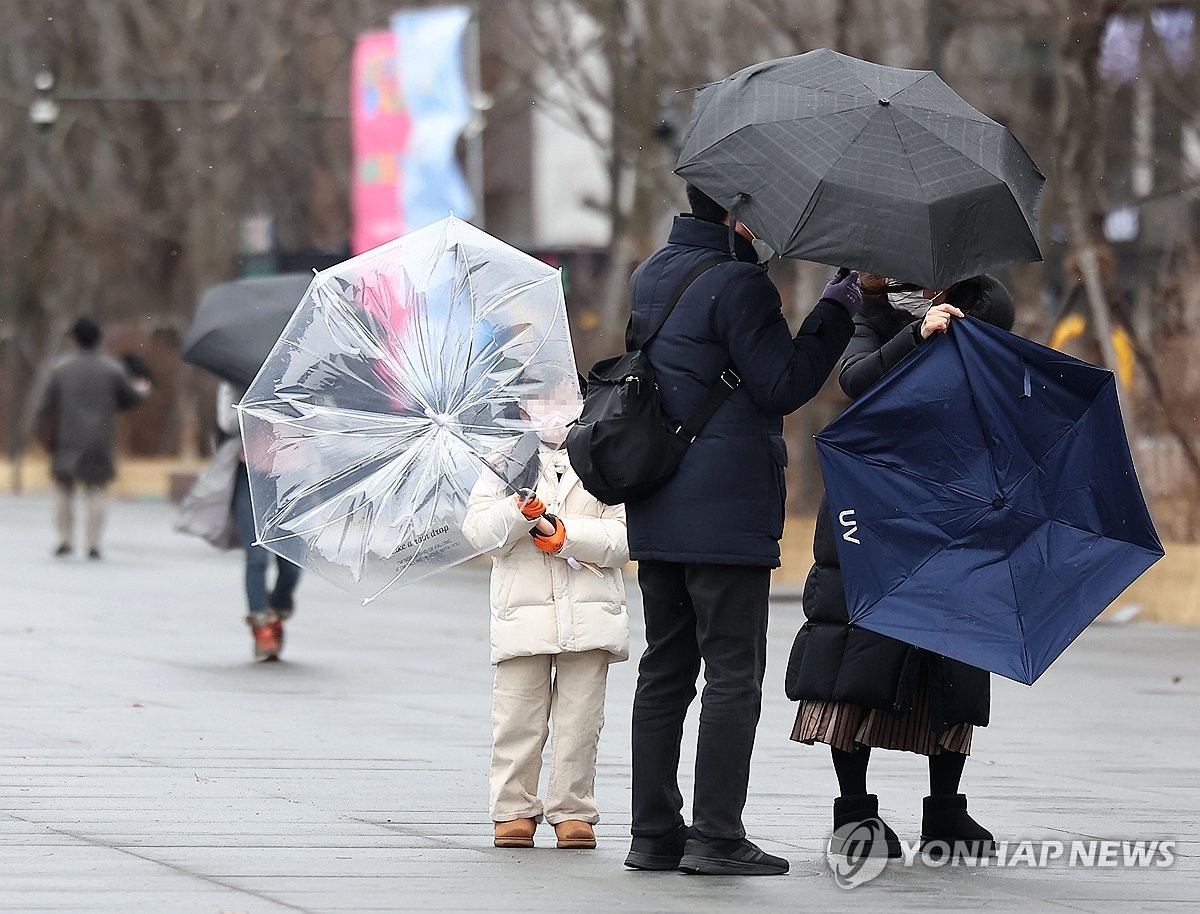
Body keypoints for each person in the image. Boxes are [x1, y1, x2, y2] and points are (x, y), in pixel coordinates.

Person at [623, 185, 862, 876]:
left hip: (659, 498)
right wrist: (837, 310)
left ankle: (654, 833)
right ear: (737, 211)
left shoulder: (654, 271)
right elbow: (782, 384)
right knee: (733, 672)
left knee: (665, 669)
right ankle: (717, 835)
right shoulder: (738, 283)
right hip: (725, 509)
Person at [786, 272, 1016, 860]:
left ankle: (946, 810)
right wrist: (916, 333)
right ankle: (855, 814)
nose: (880, 275)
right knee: (855, 661)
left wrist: (970, 317)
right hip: (873, 506)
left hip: (952, 501)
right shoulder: (868, 315)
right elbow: (856, 380)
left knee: (950, 658)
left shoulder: (973, 300)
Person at [462, 384, 630, 851]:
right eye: (543, 402)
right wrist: (516, 513)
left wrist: (566, 534)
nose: (554, 413)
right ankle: (513, 808)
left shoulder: (602, 455)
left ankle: (573, 810)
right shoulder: (503, 463)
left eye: (565, 401)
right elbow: (479, 532)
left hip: (591, 612)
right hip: (524, 614)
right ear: (525, 408)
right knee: (517, 718)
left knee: (581, 721)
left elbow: (624, 535)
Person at [36, 317, 150, 559]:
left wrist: (41, 434)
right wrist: (142, 389)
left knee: (63, 488)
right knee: (97, 489)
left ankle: (65, 539)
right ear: (98, 339)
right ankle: (93, 543)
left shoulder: (60, 369)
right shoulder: (111, 369)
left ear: (75, 339)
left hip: (65, 438)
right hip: (99, 438)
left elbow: (45, 406)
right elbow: (130, 398)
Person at [216, 381, 302, 662]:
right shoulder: (234, 371)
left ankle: (277, 606)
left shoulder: (303, 372)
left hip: (293, 475)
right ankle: (262, 629)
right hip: (249, 474)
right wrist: (254, 401)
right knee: (256, 556)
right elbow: (227, 422)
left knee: (291, 560)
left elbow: (321, 413)